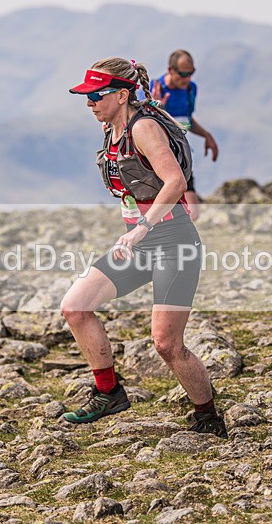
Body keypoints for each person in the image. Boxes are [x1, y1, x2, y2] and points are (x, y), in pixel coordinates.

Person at [62, 57, 227, 437]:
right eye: (86, 97)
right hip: (140, 244)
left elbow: (175, 182)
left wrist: (142, 228)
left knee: (167, 345)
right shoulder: (111, 129)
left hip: (173, 242)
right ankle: (109, 394)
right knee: (75, 307)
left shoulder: (145, 127)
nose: (89, 104)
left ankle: (208, 417)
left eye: (95, 96)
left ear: (122, 95)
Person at [150, 49, 218, 221]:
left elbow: (186, 120)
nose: (187, 79)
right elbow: (144, 126)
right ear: (170, 70)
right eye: (183, 74)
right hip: (159, 160)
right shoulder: (154, 88)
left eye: (191, 73)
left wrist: (206, 135)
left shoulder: (190, 89)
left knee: (193, 213)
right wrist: (155, 107)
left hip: (182, 157)